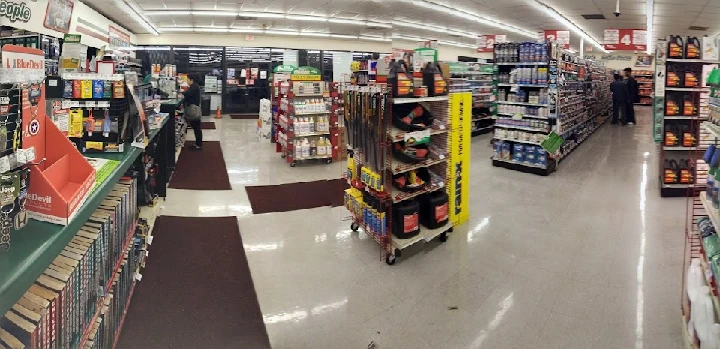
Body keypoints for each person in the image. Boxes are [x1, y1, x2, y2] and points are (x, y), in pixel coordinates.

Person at [184, 73, 203, 150]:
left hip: (194, 109)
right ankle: (198, 144)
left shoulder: (194, 87)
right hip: (195, 108)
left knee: (196, 127)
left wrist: (180, 93)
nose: (187, 81)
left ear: (191, 80)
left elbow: (187, 94)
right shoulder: (194, 86)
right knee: (196, 127)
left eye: (187, 79)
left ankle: (198, 145)